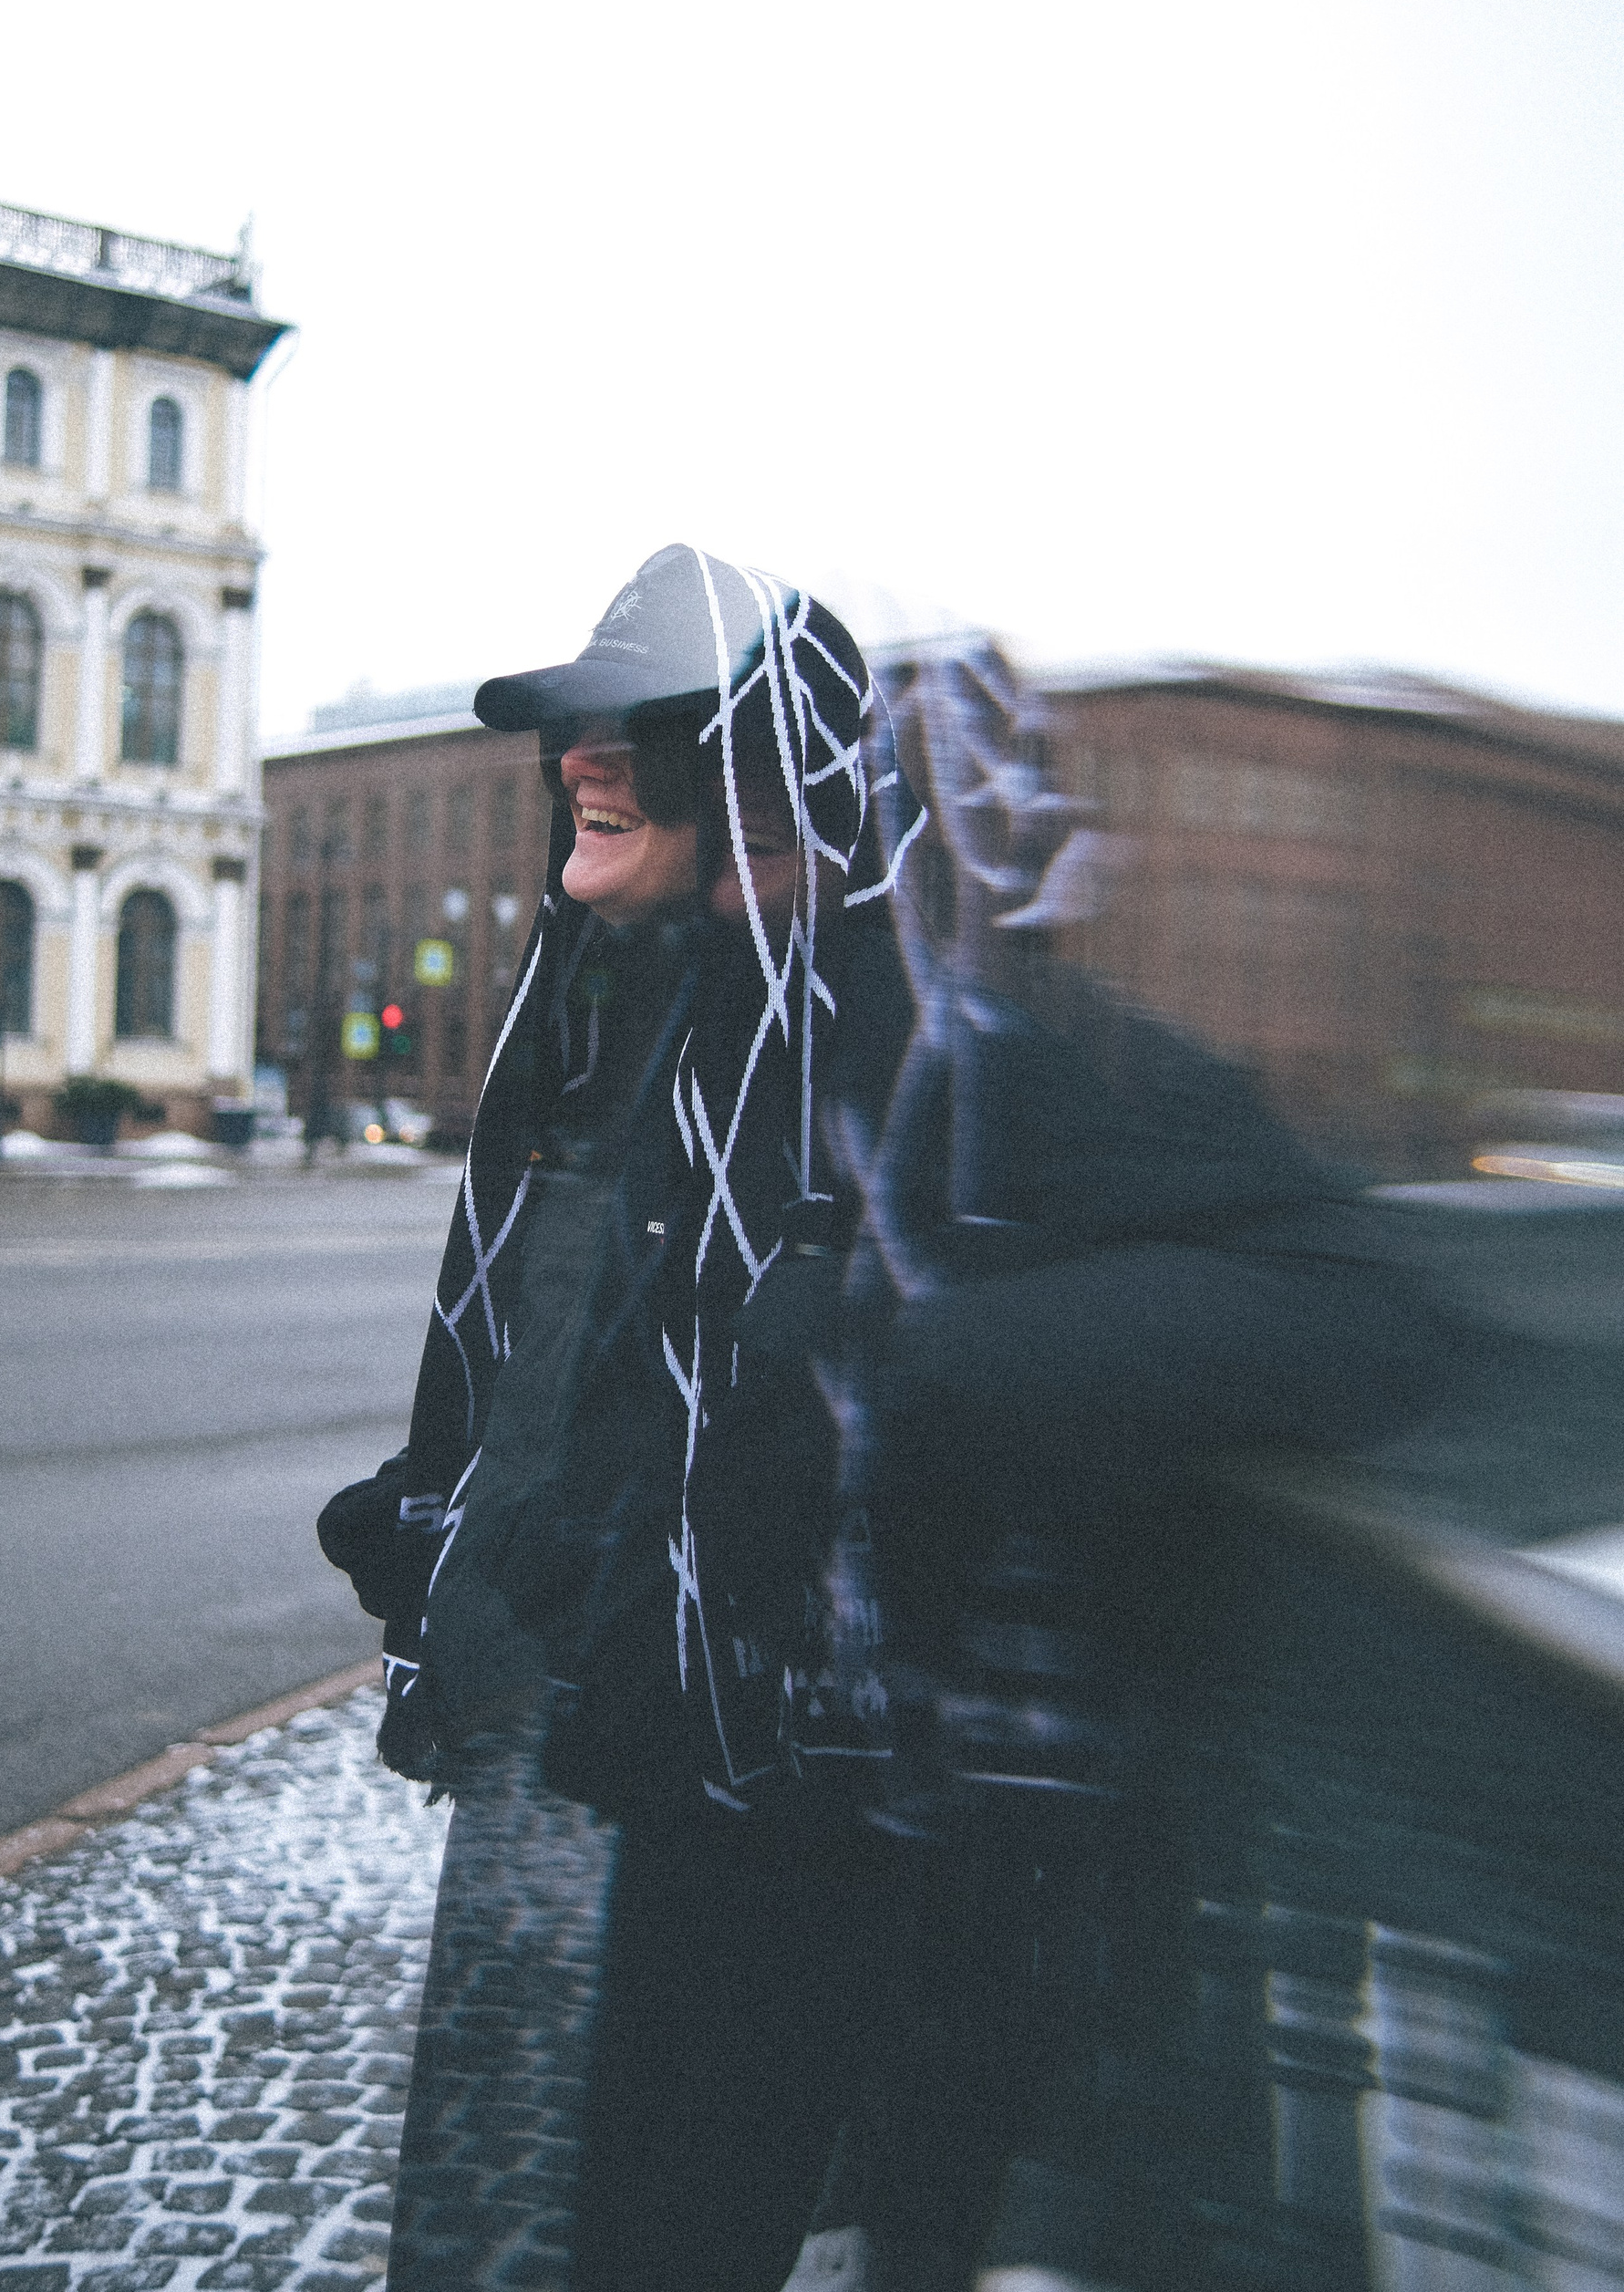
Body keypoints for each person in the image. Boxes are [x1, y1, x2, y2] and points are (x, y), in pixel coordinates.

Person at [320, 547, 1437, 2292]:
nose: (577, 763)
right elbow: (632, 1375)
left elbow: (1355, 1305)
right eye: (569, 734)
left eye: (635, 730)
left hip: (909, 1851)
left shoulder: (985, 1042)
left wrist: (914, 1358)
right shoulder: (665, 1023)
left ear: (769, 777)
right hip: (679, 1810)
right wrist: (456, 1512)